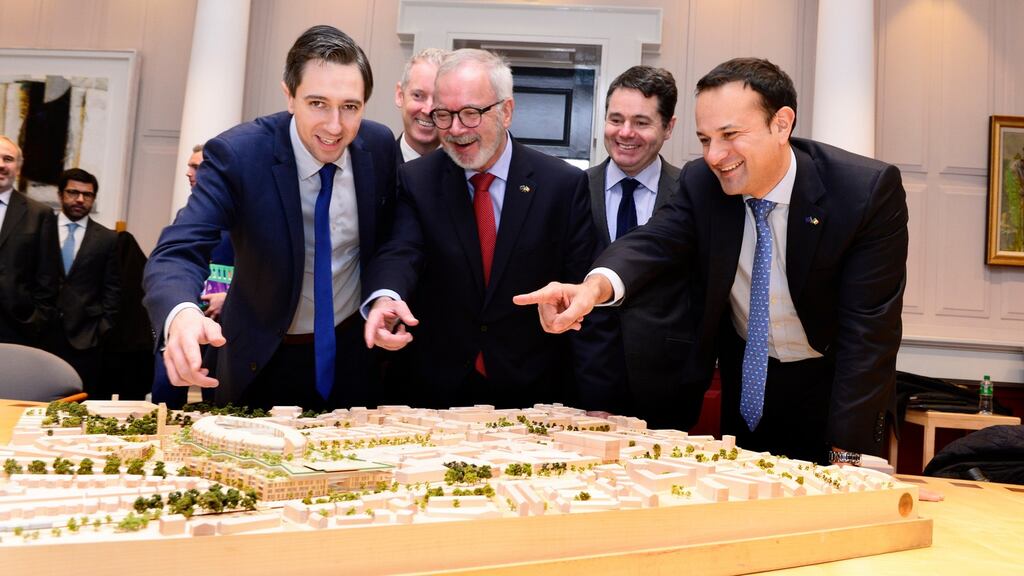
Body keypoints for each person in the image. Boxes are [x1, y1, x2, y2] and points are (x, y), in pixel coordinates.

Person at [516, 58, 909, 464]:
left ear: (781, 124)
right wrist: (591, 288)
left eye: (730, 135)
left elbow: (869, 335)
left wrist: (849, 456)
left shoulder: (863, 191)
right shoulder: (703, 184)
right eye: (705, 140)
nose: (715, 156)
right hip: (750, 389)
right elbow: (653, 242)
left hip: (833, 388)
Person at [143, 25, 397, 411]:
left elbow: (395, 237)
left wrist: (386, 294)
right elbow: (178, 249)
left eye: (350, 106)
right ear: (289, 96)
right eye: (317, 103)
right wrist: (181, 314)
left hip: (353, 353)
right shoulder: (239, 155)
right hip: (261, 358)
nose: (334, 126)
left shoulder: (377, 147)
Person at [362, 49, 606, 410]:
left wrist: (594, 400)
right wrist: (386, 297)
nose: (456, 129)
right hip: (432, 394)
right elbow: (402, 250)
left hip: (533, 395)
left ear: (506, 111)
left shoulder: (562, 186)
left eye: (471, 113)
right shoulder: (417, 180)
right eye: (444, 115)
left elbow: (583, 297)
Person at [585, 65, 702, 430]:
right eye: (615, 119)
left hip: (668, 385)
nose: (625, 133)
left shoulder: (695, 193)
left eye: (641, 122)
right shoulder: (572, 189)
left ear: (669, 127)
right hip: (581, 383)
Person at [46, 168, 120, 395]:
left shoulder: (107, 238)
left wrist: (102, 328)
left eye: (87, 195)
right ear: (60, 195)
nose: (80, 199)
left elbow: (113, 288)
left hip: (86, 336)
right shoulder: (41, 228)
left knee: (80, 400)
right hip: (42, 330)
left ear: (93, 199)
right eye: (72, 192)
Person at [0, 135, 60, 346]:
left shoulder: (40, 214)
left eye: (8, 159)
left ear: (18, 168)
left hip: (16, 330)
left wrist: (36, 322)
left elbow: (49, 279)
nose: (1, 165)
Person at [395, 47, 446, 163]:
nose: (428, 110)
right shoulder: (375, 169)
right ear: (400, 95)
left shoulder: (466, 174)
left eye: (438, 99)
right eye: (418, 96)